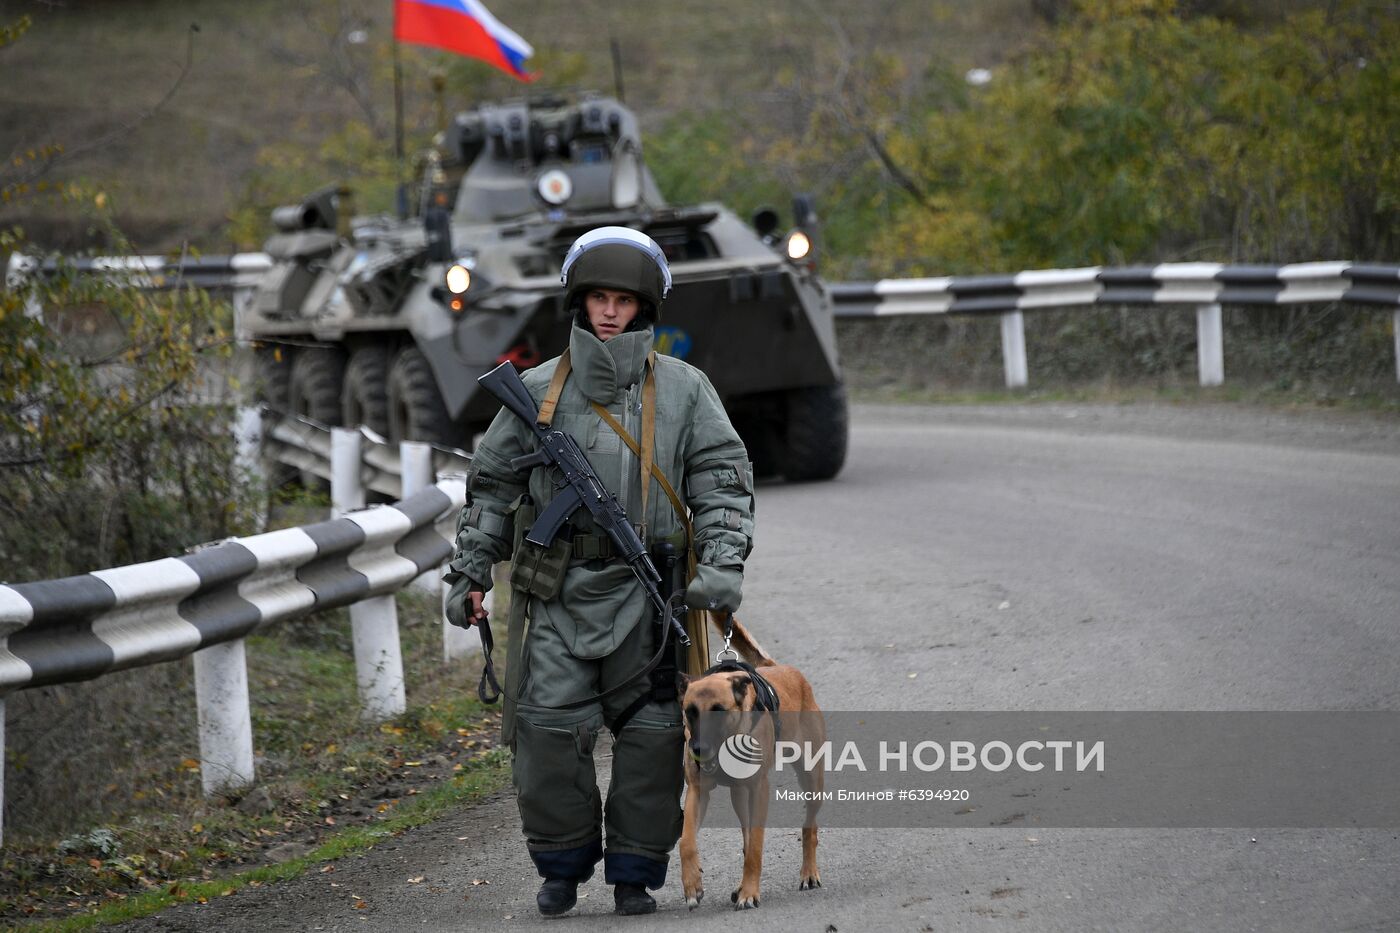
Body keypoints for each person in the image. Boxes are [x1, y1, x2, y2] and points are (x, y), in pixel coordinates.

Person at [443, 226, 755, 917]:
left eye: (622, 300)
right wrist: (468, 573)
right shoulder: (533, 392)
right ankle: (560, 867)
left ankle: (634, 874)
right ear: (578, 304)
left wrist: (724, 566)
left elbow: (723, 484)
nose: (609, 311)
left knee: (650, 738)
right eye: (597, 299)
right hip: (552, 592)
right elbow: (492, 488)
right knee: (547, 732)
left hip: (649, 596)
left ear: (642, 308)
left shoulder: (685, 391)